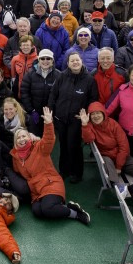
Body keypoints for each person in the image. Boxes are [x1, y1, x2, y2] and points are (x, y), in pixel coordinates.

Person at [11, 108, 90, 224]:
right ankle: (61, 206)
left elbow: (49, 140)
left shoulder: (39, 147)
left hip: (50, 183)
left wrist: (48, 124)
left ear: (30, 137)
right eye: (18, 138)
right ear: (15, 142)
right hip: (36, 190)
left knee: (47, 209)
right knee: (37, 211)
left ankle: (75, 213)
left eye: (24, 136)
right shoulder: (16, 157)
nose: (22, 139)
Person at [49, 52, 97, 183]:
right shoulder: (62, 77)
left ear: (81, 61)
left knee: (74, 146)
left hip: (76, 120)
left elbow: (93, 99)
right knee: (63, 145)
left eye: (77, 60)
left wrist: (85, 114)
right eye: (72, 61)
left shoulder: (89, 80)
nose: (75, 63)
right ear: (68, 63)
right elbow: (53, 95)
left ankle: (77, 173)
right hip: (61, 117)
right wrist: (52, 112)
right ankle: (64, 170)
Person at [80, 102, 133, 194]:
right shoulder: (90, 126)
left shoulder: (113, 124)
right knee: (107, 163)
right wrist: (84, 124)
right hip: (106, 156)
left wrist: (119, 166)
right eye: (93, 114)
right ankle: (117, 186)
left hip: (119, 155)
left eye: (98, 113)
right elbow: (88, 139)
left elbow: (124, 146)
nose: (96, 116)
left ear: (103, 113)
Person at [20, 49, 60, 136]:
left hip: (51, 114)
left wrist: (53, 112)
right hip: (34, 113)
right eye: (42, 58)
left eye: (48, 58)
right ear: (38, 60)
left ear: (52, 60)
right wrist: (31, 110)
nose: (45, 61)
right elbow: (24, 93)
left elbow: (60, 96)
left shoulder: (58, 75)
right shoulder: (30, 74)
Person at [8, 34, 38, 99]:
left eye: (27, 45)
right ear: (20, 47)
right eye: (23, 45)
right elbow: (13, 77)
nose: (25, 47)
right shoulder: (15, 59)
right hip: (18, 89)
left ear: (32, 46)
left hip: (32, 90)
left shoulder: (37, 60)